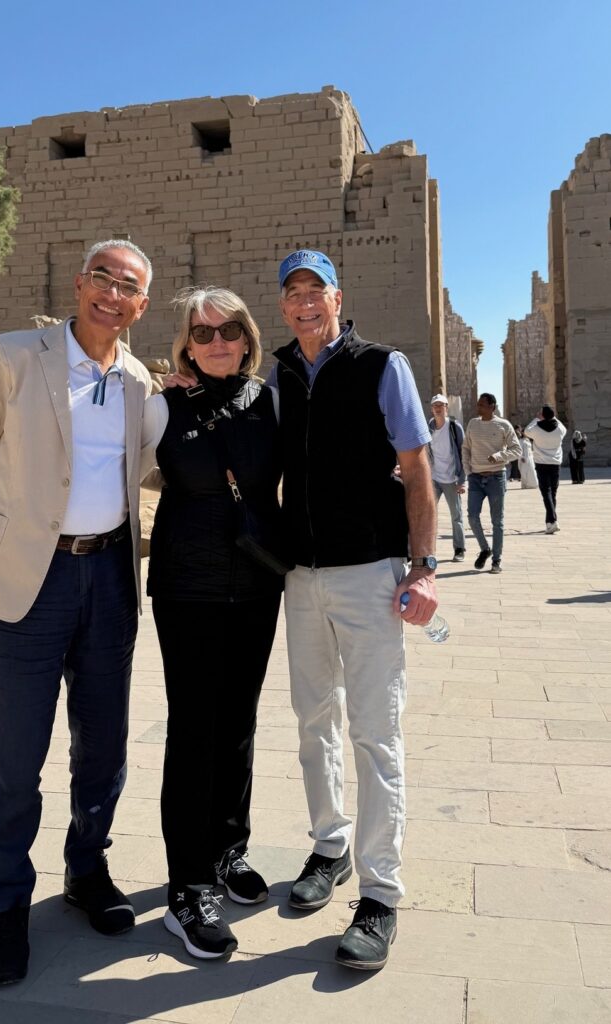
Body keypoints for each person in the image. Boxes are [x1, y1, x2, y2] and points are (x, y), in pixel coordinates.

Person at [0, 239, 155, 985]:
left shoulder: (137, 382)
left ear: (141, 306)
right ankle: (4, 907)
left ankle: (85, 870)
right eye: (101, 277)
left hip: (109, 580)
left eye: (127, 286)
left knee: (103, 750)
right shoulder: (13, 356)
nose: (111, 293)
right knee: (13, 761)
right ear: (79, 283)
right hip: (23, 582)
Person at [269, 249, 438, 971]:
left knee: (374, 731)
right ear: (282, 306)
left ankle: (379, 893)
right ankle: (328, 847)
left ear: (337, 298)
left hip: (369, 572)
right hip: (301, 577)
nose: (305, 303)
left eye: (316, 291)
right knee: (313, 722)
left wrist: (424, 566)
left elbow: (417, 466)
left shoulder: (380, 364)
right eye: (293, 293)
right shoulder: (277, 373)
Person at [141, 287, 284, 960]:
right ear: (186, 346)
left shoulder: (272, 403)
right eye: (202, 333)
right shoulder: (163, 406)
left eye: (228, 329)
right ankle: (186, 887)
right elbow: (116, 475)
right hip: (187, 587)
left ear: (248, 336)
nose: (217, 340)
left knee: (239, 726)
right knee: (195, 730)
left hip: (256, 584)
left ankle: (228, 850)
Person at [462, 394, 521, 574]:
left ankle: (496, 560)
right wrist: (468, 471)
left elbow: (517, 450)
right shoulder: (473, 423)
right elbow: (466, 448)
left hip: (496, 477)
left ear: (492, 407)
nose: (478, 408)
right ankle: (485, 548)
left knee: (497, 521)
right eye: (478, 404)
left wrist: (498, 457)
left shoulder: (504, 425)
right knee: (472, 517)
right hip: (476, 478)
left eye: (482, 405)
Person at [427, 394, 466, 561]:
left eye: (441, 405)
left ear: (446, 408)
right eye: (435, 405)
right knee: (427, 514)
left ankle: (459, 549)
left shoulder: (454, 427)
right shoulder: (429, 426)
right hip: (434, 478)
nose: (437, 408)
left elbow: (464, 453)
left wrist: (462, 480)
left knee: (456, 515)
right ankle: (427, 550)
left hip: (451, 478)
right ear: (431, 408)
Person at [525, 405, 568, 532]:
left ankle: (553, 520)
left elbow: (527, 431)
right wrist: (551, 416)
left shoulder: (536, 429)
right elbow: (561, 425)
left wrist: (536, 419)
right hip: (555, 464)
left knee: (546, 493)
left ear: (542, 415)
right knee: (552, 493)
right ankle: (550, 522)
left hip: (542, 464)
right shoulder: (560, 429)